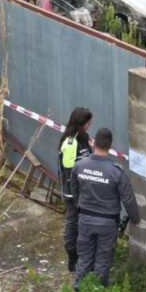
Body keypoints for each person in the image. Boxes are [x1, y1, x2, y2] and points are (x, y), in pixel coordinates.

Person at [71, 127, 140, 288]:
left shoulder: (80, 166)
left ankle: (79, 286)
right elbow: (128, 199)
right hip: (107, 223)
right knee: (103, 256)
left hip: (85, 219)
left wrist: (78, 203)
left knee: (85, 254)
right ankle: (98, 289)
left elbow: (73, 188)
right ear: (111, 146)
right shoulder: (116, 172)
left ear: (94, 143)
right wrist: (135, 219)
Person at [59, 107, 93, 272]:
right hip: (74, 195)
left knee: (83, 225)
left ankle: (83, 255)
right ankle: (72, 258)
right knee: (72, 224)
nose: (90, 124)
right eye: (88, 122)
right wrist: (77, 198)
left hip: (84, 192)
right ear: (82, 123)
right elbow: (70, 173)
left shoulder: (83, 138)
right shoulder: (71, 143)